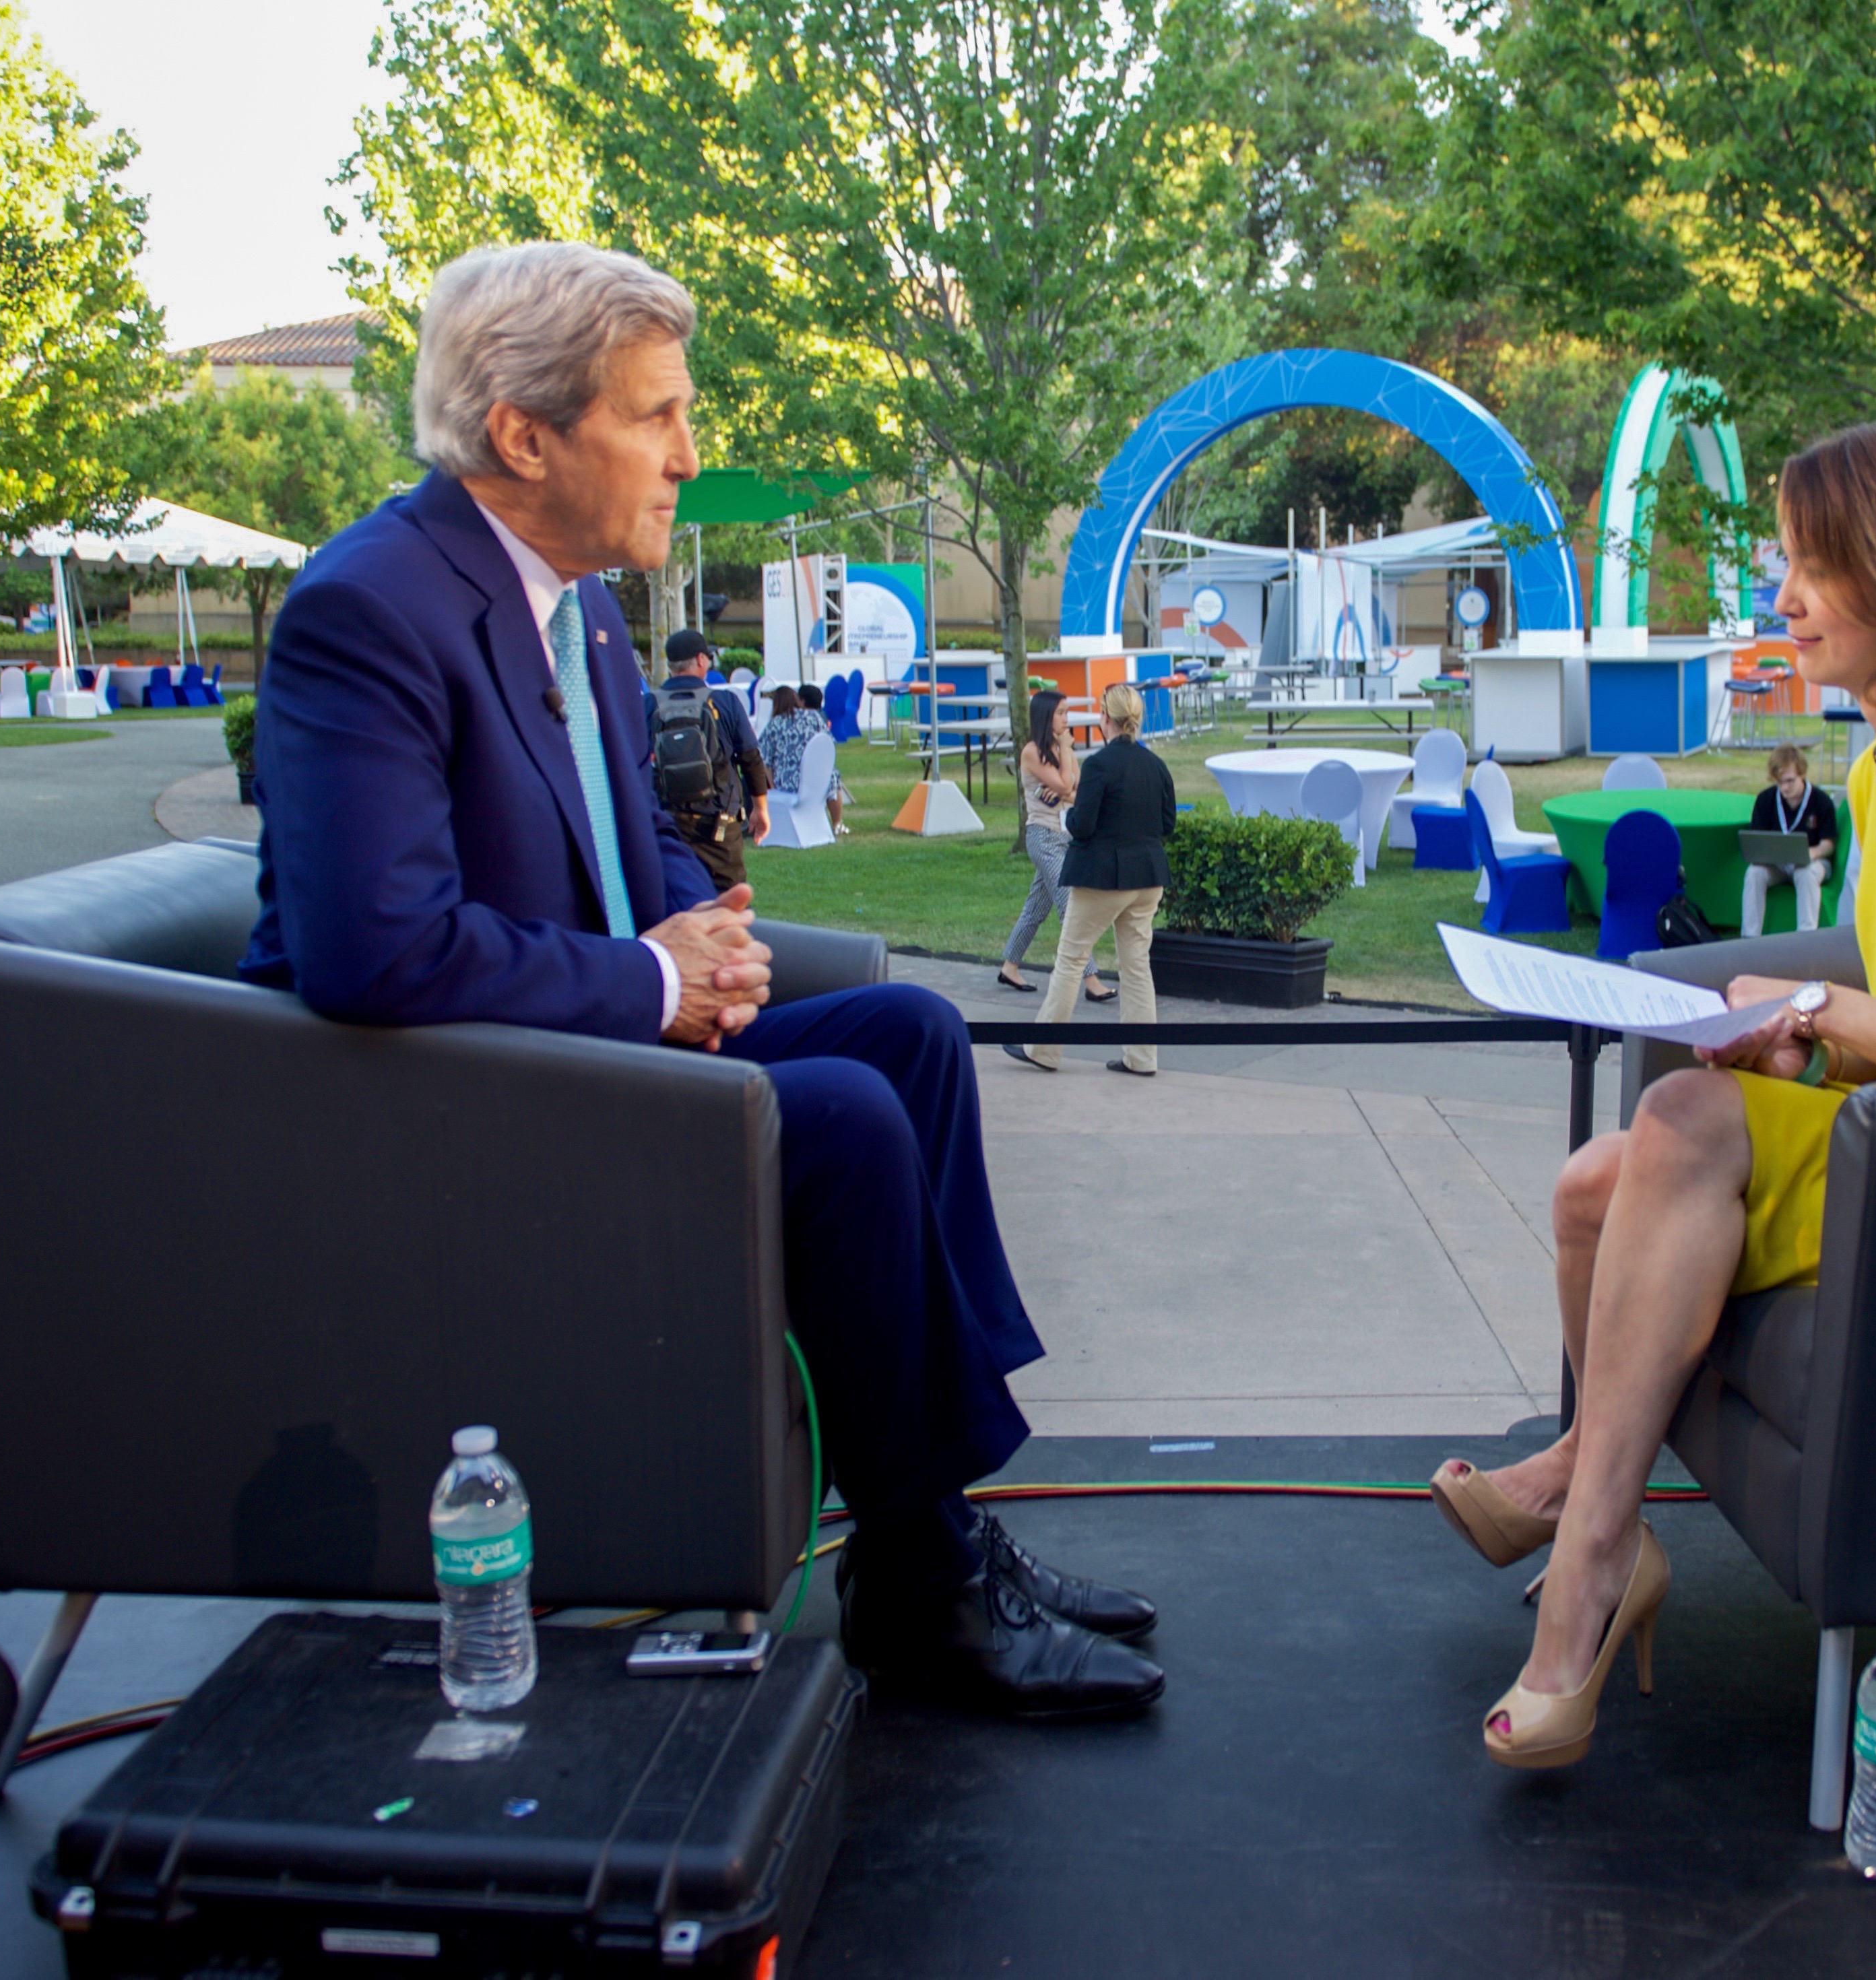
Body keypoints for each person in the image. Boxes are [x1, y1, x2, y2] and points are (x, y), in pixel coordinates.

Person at [238, 240, 1163, 1719]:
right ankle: (927, 1581)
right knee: (847, 1119)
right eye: (655, 414)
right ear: (524, 435)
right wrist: (645, 986)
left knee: (913, 1033)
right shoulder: (371, 612)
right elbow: (374, 952)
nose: (687, 453)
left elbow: (634, 846)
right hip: (447, 1122)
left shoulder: (579, 603)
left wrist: (707, 942)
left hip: (583, 1053)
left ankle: (929, 1533)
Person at [1429, 409, 1876, 1770]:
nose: (1783, 597)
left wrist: (1817, 1010)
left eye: (1814, 567)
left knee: (1679, 1118)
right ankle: (1600, 1474)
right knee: (1594, 1186)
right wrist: (1808, 1045)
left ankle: (1592, 1549)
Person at [1004, 683, 1175, 1077]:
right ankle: (1142, 1058)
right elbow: (1168, 823)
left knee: (1070, 959)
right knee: (1137, 967)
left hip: (1102, 877)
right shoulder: (1156, 765)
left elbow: (1082, 825)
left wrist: (1071, 817)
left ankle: (1044, 1050)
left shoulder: (1099, 765)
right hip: (1149, 878)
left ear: (1105, 719)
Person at [996, 689, 1113, 1001]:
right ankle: (1091, 980)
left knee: (1036, 907)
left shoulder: (1063, 748)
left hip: (1067, 837)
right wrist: (1064, 779)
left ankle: (1010, 965)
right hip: (1043, 836)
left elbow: (1077, 790)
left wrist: (1064, 776)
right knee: (1070, 905)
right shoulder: (1032, 752)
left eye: (1067, 712)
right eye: (1061, 713)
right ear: (1046, 716)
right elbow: (1065, 785)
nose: (1066, 718)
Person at [650, 630, 769, 891]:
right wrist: (761, 808)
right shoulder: (725, 702)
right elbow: (751, 758)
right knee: (729, 906)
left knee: (674, 903)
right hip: (719, 824)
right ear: (702, 660)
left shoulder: (648, 704)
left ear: (670, 665)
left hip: (666, 824)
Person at [1738, 743, 1836, 934]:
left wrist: (1811, 853)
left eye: (1790, 781)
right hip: (1777, 865)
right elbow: (1757, 840)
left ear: (1803, 774)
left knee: (1805, 874)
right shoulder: (1766, 800)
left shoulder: (1821, 801)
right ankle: (1749, 938)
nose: (1784, 788)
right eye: (1779, 782)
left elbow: (1829, 844)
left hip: (1813, 862)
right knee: (1754, 873)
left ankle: (1806, 938)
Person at [757, 682, 850, 838]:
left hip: (787, 783)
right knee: (834, 776)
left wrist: (774, 787)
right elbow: (828, 745)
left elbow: (764, 761)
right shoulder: (814, 717)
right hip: (817, 782)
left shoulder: (775, 724)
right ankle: (837, 824)